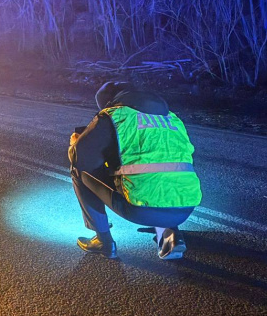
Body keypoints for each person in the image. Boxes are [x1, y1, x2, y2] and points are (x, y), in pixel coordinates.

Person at [69, 81, 202, 259]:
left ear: (110, 102)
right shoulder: (172, 118)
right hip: (185, 208)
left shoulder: (114, 115)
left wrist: (78, 143)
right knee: (163, 177)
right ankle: (171, 235)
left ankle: (103, 241)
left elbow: (82, 159)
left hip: (139, 209)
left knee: (79, 171)